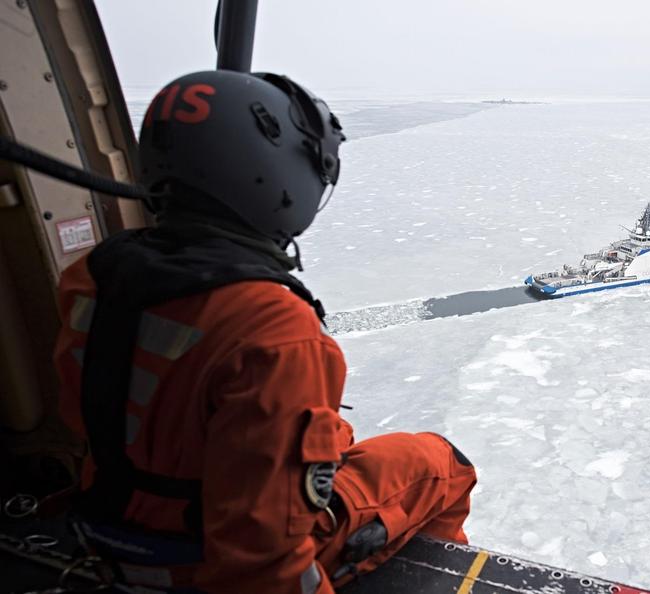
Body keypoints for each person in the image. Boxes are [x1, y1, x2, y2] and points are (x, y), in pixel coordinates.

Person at [52, 70, 476, 593]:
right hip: (199, 565)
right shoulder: (274, 330)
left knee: (339, 444)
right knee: (440, 463)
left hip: (109, 529)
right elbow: (264, 564)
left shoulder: (95, 273)